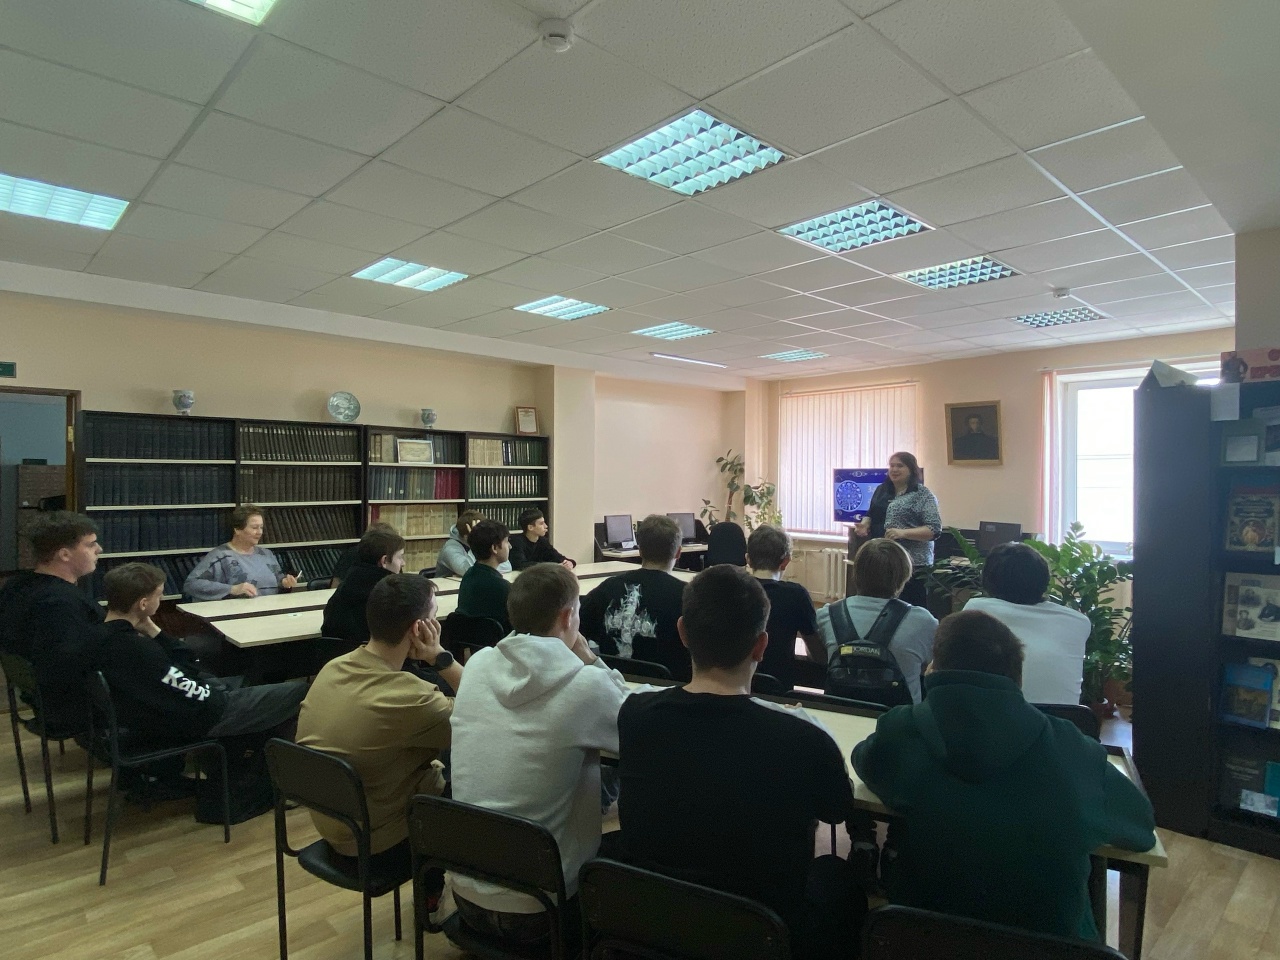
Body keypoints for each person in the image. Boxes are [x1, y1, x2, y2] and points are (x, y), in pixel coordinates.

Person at [852, 610, 1156, 941]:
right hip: (1051, 946)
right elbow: (1140, 829)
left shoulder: (901, 731)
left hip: (924, 940)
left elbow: (864, 761)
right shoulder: (1072, 749)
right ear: (1018, 678)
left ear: (933, 672)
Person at [618, 565, 864, 960]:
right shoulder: (803, 737)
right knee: (840, 877)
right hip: (762, 929)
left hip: (656, 915)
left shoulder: (635, 714)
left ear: (682, 633)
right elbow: (836, 809)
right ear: (761, 645)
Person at [449, 563, 631, 944]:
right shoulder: (585, 684)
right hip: (544, 910)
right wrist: (589, 656)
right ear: (567, 617)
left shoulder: (478, 665)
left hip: (466, 895)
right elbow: (632, 723)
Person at [296, 575, 461, 875]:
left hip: (335, 823)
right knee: (476, 769)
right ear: (419, 629)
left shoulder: (333, 667)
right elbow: (481, 710)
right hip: (379, 842)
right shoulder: (411, 697)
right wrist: (440, 657)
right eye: (435, 616)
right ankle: (440, 889)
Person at [95, 563, 306, 748]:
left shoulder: (100, 636)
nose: (161, 599)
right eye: (159, 596)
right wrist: (220, 694)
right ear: (143, 604)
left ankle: (241, 760)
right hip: (204, 715)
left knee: (253, 681)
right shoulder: (139, 649)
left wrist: (151, 628)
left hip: (171, 710)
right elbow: (190, 670)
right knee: (302, 692)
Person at [0, 511, 104, 731]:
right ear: (64, 554)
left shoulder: (16, 586)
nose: (99, 549)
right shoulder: (61, 603)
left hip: (39, 697)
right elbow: (71, 663)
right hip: (73, 707)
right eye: (90, 544)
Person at [963, 542, 1091, 705]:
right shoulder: (1078, 621)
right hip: (1064, 718)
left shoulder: (977, 610)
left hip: (997, 718)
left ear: (987, 580)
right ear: (1045, 579)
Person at [817, 538, 937, 705]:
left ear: (856, 572)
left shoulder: (826, 615)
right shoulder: (923, 621)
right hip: (898, 718)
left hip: (839, 714)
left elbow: (820, 657)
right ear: (903, 576)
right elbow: (931, 667)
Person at [580, 514, 690, 680]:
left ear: (640, 549)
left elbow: (577, 631)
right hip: (665, 688)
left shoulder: (606, 588)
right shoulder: (688, 596)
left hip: (612, 683)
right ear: (678, 552)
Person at [853, 452, 940, 607]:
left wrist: (903, 533)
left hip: (912, 563)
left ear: (911, 469)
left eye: (900, 466)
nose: (894, 469)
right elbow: (871, 513)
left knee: (910, 606)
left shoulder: (923, 495)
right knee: (881, 604)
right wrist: (865, 524)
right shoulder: (882, 490)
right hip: (882, 559)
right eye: (892, 465)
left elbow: (934, 529)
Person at [745, 525, 824, 692]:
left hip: (739, 687)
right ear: (785, 561)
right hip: (779, 689)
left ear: (748, 559)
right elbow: (817, 653)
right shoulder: (796, 595)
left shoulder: (733, 590)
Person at [184, 505, 299, 601]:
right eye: (254, 527)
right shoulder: (221, 556)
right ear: (237, 529)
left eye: (261, 527)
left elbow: (278, 582)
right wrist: (232, 589)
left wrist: (285, 583)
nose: (259, 532)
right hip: (237, 615)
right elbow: (191, 585)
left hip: (270, 611)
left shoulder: (267, 555)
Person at [321, 526, 407, 646]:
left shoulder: (347, 583)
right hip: (372, 657)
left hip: (334, 654)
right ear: (384, 561)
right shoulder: (391, 594)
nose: (403, 563)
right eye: (400, 557)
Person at [456, 519, 513, 632]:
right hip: (499, 640)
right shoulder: (502, 587)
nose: (510, 546)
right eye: (507, 542)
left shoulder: (468, 575)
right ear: (495, 548)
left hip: (472, 639)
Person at [437, 510, 512, 578]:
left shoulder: (485, 543)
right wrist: (476, 540)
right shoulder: (450, 549)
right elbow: (468, 571)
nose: (486, 536)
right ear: (466, 536)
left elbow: (507, 567)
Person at [507, 508, 575, 571]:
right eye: (541, 524)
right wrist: (551, 566)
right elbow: (520, 564)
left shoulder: (543, 541)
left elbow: (557, 557)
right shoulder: (517, 542)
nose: (546, 526)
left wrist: (569, 563)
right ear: (530, 527)